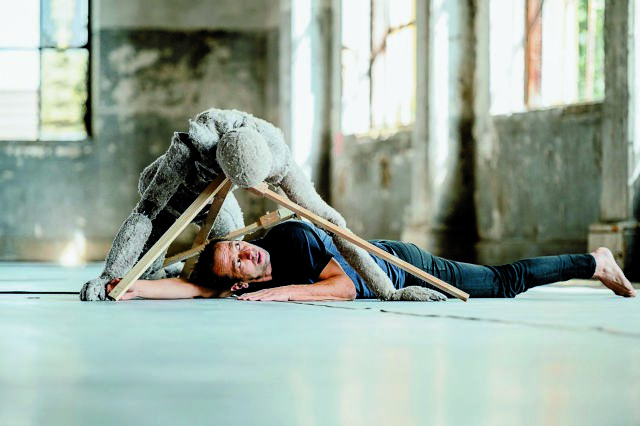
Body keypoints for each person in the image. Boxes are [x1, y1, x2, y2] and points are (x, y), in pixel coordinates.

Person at [106, 220, 636, 301]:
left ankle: (593, 262)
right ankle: (593, 263)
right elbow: (198, 289)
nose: (247, 251)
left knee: (502, 282)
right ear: (237, 282)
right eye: (237, 262)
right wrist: (129, 288)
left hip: (398, 264)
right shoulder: (238, 284)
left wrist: (284, 293)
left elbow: (343, 287)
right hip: (383, 271)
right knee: (502, 281)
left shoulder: (288, 239)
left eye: (238, 246)